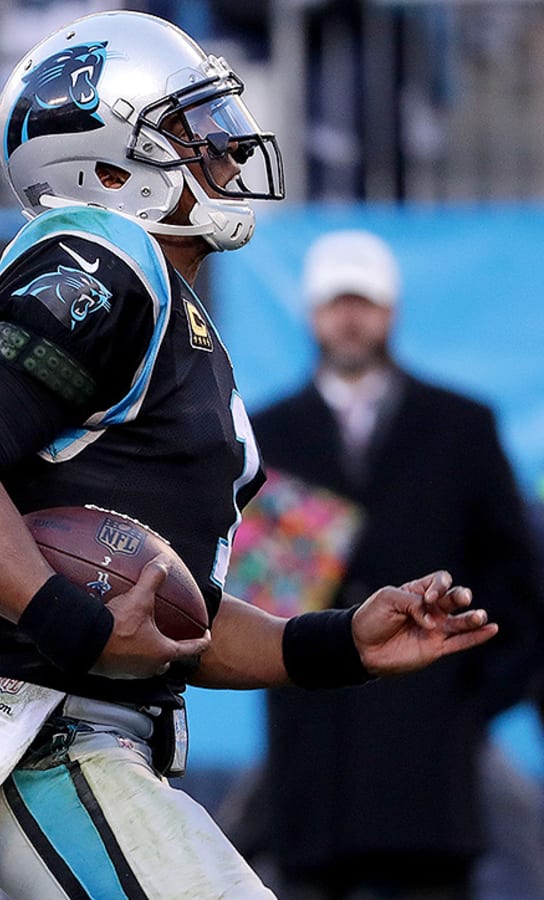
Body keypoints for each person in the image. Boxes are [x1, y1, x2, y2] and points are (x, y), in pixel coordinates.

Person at [0, 12, 500, 899]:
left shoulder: (168, 313)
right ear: (108, 165)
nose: (226, 154)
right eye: (191, 131)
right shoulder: (106, 260)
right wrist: (70, 622)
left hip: (105, 742)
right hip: (33, 737)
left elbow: (166, 619)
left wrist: (338, 641)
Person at [237, 229, 544, 900]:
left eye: (364, 302)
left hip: (428, 781)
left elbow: (518, 584)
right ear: (312, 313)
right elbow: (262, 599)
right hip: (315, 776)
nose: (350, 318)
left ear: (391, 310)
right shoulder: (268, 433)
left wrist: (468, 705)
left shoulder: (461, 425)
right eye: (336, 302)